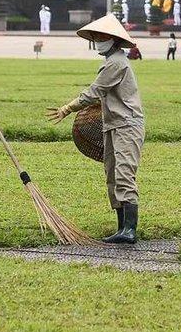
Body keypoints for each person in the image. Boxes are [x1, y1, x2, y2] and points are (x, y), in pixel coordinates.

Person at [45, 14, 144, 244]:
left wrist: (67, 108)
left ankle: (130, 229)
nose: (97, 40)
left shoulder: (117, 63)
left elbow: (94, 92)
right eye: (96, 37)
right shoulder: (110, 62)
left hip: (127, 126)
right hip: (113, 125)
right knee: (112, 174)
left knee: (124, 174)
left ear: (112, 39)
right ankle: (121, 227)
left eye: (100, 36)